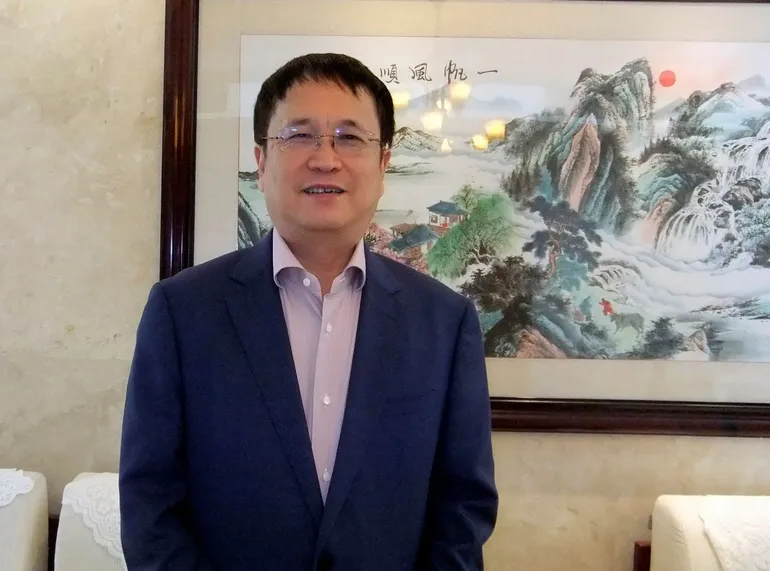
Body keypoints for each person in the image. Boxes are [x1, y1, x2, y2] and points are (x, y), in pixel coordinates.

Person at [119, 52, 498, 571]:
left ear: (383, 163)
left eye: (349, 137)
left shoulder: (444, 322)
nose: (325, 159)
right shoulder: (183, 312)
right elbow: (151, 505)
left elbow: (462, 508)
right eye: (299, 136)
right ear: (261, 161)